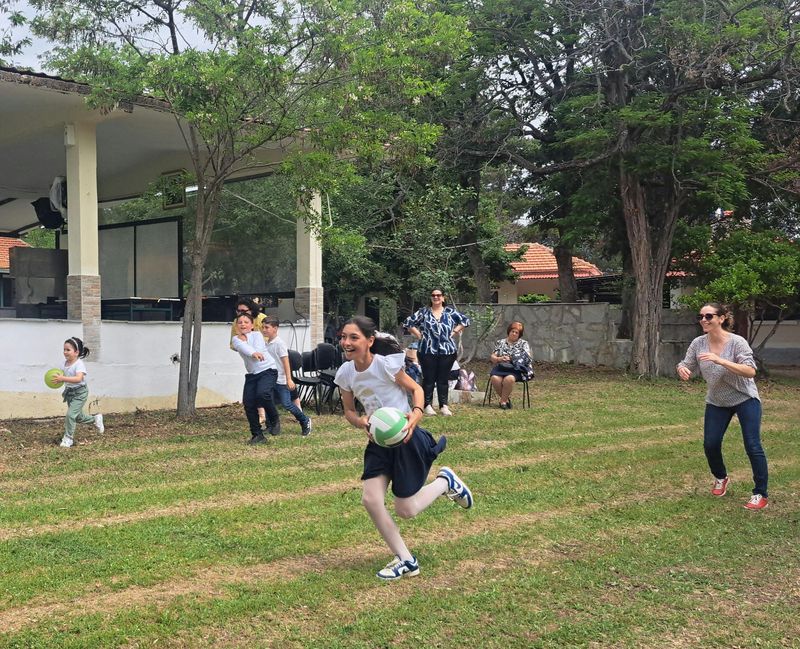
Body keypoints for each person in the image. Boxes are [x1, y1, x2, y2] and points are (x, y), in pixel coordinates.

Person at [334, 316, 474, 581]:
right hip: (378, 443)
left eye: (353, 337)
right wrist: (361, 421)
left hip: (405, 439)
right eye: (343, 337)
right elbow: (349, 411)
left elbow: (416, 389)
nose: (346, 342)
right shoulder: (345, 373)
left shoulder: (385, 365)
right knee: (370, 500)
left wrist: (416, 413)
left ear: (370, 341)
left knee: (406, 510)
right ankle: (406, 560)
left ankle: (445, 482)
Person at [676, 302, 769, 510]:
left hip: (745, 398)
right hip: (717, 401)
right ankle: (721, 477)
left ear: (721, 318)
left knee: (753, 445)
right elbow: (685, 363)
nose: (703, 320)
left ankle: (760, 493)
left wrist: (721, 361)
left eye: (709, 316)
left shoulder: (737, 342)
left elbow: (750, 371)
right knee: (710, 444)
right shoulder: (698, 343)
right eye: (700, 316)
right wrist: (682, 369)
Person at [403, 289, 470, 416]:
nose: (436, 297)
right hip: (427, 350)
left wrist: (454, 332)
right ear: (431, 298)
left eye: (438, 295)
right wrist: (419, 335)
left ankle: (443, 405)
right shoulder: (423, 312)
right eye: (433, 295)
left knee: (443, 379)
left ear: (443, 298)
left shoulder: (450, 312)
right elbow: (408, 323)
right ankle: (427, 405)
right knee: (429, 378)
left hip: (447, 351)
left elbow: (465, 321)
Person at [231, 313, 281, 444]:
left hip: (268, 370)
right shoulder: (235, 339)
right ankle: (257, 435)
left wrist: (254, 352)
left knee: (263, 394)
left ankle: (274, 419)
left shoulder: (257, 335)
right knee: (248, 404)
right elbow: (243, 347)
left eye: (246, 322)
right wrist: (252, 352)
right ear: (236, 326)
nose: (243, 324)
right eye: (240, 322)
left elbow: (258, 350)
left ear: (252, 325)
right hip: (252, 374)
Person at [262, 317, 312, 437]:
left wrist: (289, 379)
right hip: (270, 379)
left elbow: (286, 362)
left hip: (281, 380)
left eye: (267, 327)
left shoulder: (279, 344)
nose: (264, 330)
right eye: (263, 327)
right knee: (267, 402)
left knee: (287, 404)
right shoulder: (266, 343)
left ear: (275, 328)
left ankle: (305, 420)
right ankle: (270, 426)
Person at [51, 337, 104, 448]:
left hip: (80, 393)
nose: (65, 352)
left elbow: (78, 379)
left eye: (68, 350)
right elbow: (61, 377)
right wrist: (57, 379)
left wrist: (62, 378)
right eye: (64, 349)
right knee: (77, 417)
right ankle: (95, 419)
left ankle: (68, 438)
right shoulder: (63, 364)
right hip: (70, 393)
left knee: (70, 415)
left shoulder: (79, 364)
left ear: (76, 352)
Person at [229, 298, 268, 425]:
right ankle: (261, 416)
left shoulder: (261, 318)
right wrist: (244, 346)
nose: (241, 314)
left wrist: (253, 346)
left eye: (244, 311)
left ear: (251, 310)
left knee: (272, 387)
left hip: (267, 357)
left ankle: (296, 412)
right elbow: (234, 343)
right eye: (238, 311)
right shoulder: (236, 322)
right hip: (251, 361)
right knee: (254, 392)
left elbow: (268, 336)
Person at [489, 321, 534, 409]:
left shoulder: (523, 344)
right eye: (512, 331)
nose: (514, 334)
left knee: (509, 379)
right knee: (494, 378)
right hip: (501, 368)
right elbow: (493, 356)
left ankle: (503, 402)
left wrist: (512, 359)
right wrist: (499, 359)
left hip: (516, 369)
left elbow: (527, 358)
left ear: (519, 335)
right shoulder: (500, 342)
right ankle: (506, 400)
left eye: (517, 333)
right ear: (509, 331)